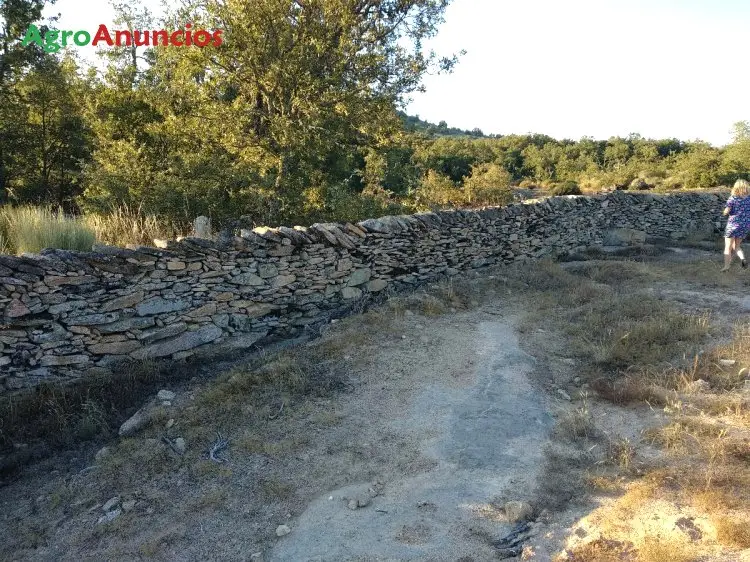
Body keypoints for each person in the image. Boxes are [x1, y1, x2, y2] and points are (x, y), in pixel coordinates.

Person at [721, 179, 750, 271]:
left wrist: (724, 212)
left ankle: (726, 266)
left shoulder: (733, 198)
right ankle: (743, 259)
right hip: (745, 225)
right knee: (736, 246)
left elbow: (726, 212)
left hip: (733, 225)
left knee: (728, 247)